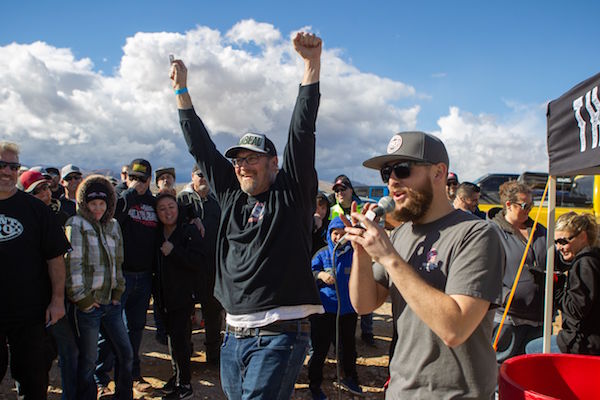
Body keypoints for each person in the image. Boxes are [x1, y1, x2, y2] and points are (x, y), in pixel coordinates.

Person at [171, 32, 324, 399]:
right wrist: (181, 91)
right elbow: (200, 146)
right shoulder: (230, 196)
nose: (242, 166)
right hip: (233, 334)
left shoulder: (291, 193)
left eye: (252, 159)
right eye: (238, 161)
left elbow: (302, 131)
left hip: (280, 333)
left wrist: (311, 65)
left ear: (274, 163)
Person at [346, 131, 504, 399]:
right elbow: (364, 304)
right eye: (387, 173)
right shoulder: (400, 234)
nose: (393, 181)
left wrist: (388, 256)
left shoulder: (477, 234)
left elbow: (455, 329)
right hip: (401, 390)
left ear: (439, 173)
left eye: (403, 170)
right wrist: (361, 252)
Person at [0, 141, 71, 399]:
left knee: (33, 379)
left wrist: (58, 300)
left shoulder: (36, 210)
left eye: (13, 166)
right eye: (1, 165)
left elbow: (56, 258)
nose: (7, 171)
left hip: (29, 312)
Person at [64, 175, 133, 400]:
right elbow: (72, 266)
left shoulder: (113, 225)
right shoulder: (76, 225)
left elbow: (119, 260)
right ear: (84, 204)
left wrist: (117, 293)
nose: (97, 209)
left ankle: (124, 395)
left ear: (108, 204)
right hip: (89, 307)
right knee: (89, 360)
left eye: (102, 204)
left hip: (111, 303)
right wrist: (83, 301)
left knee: (126, 352)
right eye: (93, 204)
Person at [96, 158, 158, 395]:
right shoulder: (120, 200)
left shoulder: (153, 203)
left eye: (142, 179)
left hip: (144, 277)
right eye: (133, 178)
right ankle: (100, 379)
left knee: (136, 328)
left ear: (149, 180)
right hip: (120, 276)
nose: (137, 183)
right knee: (110, 328)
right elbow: (111, 220)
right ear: (127, 177)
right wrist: (130, 194)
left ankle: (132, 374)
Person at [526, 212, 600, 355]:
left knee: (532, 349)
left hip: (582, 343)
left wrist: (554, 286)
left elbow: (576, 310)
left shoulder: (585, 262)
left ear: (583, 237)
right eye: (556, 242)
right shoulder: (591, 258)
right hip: (587, 339)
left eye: (564, 241)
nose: (559, 247)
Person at [489, 180, 546, 363]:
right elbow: (484, 273)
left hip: (538, 317)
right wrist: (505, 296)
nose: (529, 208)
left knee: (530, 371)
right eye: (524, 205)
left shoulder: (540, 231)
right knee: (500, 368)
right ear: (508, 205)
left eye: (532, 204)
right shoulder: (492, 232)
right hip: (507, 318)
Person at [154, 193, 204, 399]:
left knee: (180, 339)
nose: (168, 212)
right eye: (162, 209)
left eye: (171, 207)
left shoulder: (189, 230)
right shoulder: (157, 232)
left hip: (182, 295)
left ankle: (184, 384)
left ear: (178, 208)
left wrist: (173, 251)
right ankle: (177, 377)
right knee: (171, 339)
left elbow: (197, 261)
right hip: (162, 295)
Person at [309, 217, 362, 399]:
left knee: (347, 347)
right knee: (320, 348)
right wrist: (321, 275)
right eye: (335, 233)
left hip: (347, 310)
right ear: (329, 234)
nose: (338, 237)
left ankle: (350, 378)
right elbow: (310, 272)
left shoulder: (354, 254)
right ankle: (315, 383)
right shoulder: (322, 254)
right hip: (325, 310)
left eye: (342, 234)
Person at [177, 164, 223, 365]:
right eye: (200, 175)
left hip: (213, 266)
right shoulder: (182, 200)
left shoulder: (217, 201)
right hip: (187, 267)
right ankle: (185, 353)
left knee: (213, 312)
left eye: (207, 175)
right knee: (186, 311)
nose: (203, 179)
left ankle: (213, 355)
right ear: (192, 176)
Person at [311, 192, 330, 256]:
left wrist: (320, 229)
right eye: (316, 208)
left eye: (323, 208)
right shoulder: (305, 223)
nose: (320, 212)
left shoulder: (329, 226)